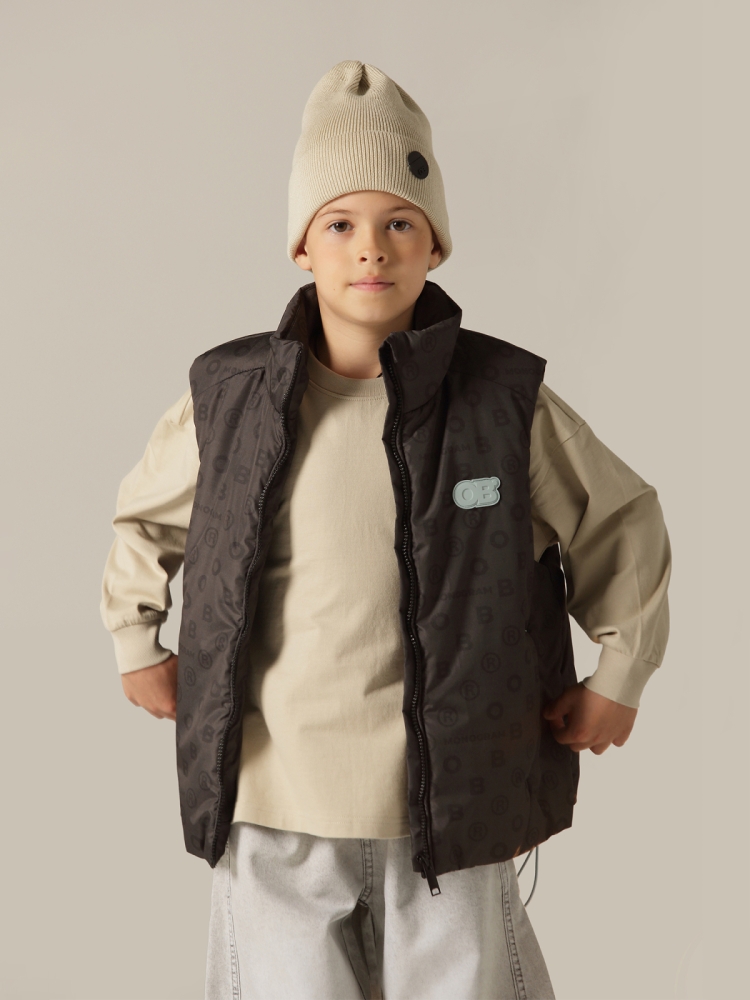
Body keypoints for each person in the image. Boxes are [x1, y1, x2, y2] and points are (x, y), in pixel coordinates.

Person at [101, 60, 671, 1000]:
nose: (371, 250)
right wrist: (136, 639)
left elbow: (621, 518)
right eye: (340, 224)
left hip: (453, 798)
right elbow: (145, 518)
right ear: (302, 247)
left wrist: (622, 672)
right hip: (274, 796)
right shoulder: (229, 401)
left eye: (400, 223)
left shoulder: (501, 403)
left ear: (435, 244)